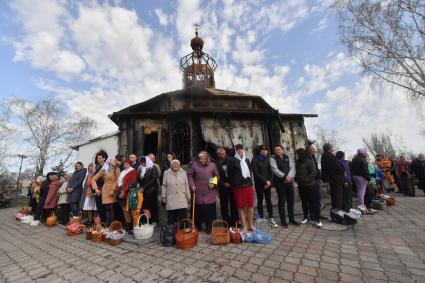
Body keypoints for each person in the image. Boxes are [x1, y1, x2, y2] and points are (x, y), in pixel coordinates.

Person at [187, 151, 219, 234]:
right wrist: (192, 185)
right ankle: (198, 227)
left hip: (210, 192)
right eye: (200, 158)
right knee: (198, 211)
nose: (202, 160)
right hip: (198, 192)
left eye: (203, 158)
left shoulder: (212, 165)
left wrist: (213, 183)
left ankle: (209, 227)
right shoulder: (194, 165)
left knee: (209, 211)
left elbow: (217, 176)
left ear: (207, 158)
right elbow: (189, 175)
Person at [270, 145, 299, 228]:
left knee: (291, 201)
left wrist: (289, 177)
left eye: (279, 149)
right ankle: (283, 221)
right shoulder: (272, 159)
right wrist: (284, 177)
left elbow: (292, 168)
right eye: (275, 150)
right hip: (280, 183)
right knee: (282, 201)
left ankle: (292, 219)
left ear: (282, 150)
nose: (277, 151)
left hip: (289, 182)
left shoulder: (287, 157)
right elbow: (275, 170)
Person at [228, 144, 255, 233]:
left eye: (241, 149)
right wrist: (234, 183)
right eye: (238, 149)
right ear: (235, 151)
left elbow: (250, 172)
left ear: (243, 150)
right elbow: (230, 174)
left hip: (248, 185)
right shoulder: (232, 160)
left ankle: (250, 224)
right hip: (238, 187)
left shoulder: (247, 160)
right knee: (241, 206)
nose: (240, 151)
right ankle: (244, 226)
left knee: (250, 206)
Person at [295, 148, 322, 227]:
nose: (296, 156)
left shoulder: (309, 161)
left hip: (310, 185)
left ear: (301, 154)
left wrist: (305, 180)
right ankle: (305, 217)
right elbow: (297, 172)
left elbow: (314, 173)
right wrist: (296, 178)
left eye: (297, 154)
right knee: (304, 202)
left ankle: (318, 219)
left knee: (314, 202)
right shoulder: (297, 162)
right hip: (301, 186)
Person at [251, 145, 277, 227]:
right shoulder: (254, 160)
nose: (265, 151)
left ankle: (271, 217)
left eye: (266, 150)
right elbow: (256, 173)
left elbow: (270, 172)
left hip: (268, 184)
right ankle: (261, 217)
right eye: (263, 150)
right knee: (260, 200)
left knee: (268, 200)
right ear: (259, 151)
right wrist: (265, 181)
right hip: (259, 184)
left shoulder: (267, 159)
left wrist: (269, 182)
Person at [161, 159, 191, 225]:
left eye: (177, 164)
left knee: (183, 219)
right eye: (174, 164)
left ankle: (182, 233)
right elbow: (164, 185)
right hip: (171, 199)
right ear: (171, 165)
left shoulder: (183, 172)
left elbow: (186, 185)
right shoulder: (166, 173)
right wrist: (163, 196)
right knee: (171, 219)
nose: (176, 165)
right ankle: (172, 233)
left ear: (179, 165)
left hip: (182, 198)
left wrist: (188, 196)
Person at [91, 158, 120, 225]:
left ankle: (112, 223)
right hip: (105, 189)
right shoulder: (103, 170)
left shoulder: (116, 169)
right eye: (113, 160)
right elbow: (93, 179)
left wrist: (113, 189)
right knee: (107, 207)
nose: (114, 161)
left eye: (115, 161)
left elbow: (118, 180)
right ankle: (108, 223)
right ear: (109, 162)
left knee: (112, 206)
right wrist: (96, 189)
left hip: (113, 188)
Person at [215, 148, 238, 225]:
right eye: (222, 154)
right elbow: (215, 176)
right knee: (224, 205)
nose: (224, 155)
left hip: (233, 184)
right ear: (218, 155)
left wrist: (233, 182)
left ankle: (235, 221)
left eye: (224, 153)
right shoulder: (215, 163)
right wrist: (223, 183)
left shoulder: (231, 160)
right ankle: (226, 223)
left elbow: (236, 171)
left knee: (234, 203)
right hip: (222, 186)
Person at [320, 143, 345, 212]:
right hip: (335, 178)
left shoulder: (325, 155)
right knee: (337, 195)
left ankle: (335, 209)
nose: (332, 148)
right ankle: (337, 210)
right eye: (331, 147)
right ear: (329, 148)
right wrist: (343, 171)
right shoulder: (329, 156)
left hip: (332, 178)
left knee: (335, 195)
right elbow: (335, 167)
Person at [118, 159, 138, 231]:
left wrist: (124, 191)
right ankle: (128, 224)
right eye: (124, 164)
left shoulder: (133, 171)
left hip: (129, 193)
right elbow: (120, 183)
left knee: (131, 210)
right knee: (124, 209)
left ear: (130, 165)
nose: (125, 165)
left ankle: (134, 226)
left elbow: (132, 182)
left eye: (127, 164)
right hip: (122, 191)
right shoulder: (123, 172)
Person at [138, 156, 159, 225]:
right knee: (144, 206)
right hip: (144, 191)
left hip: (151, 190)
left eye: (144, 163)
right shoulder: (141, 169)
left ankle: (153, 221)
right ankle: (146, 221)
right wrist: (138, 183)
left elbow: (153, 179)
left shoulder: (153, 167)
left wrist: (144, 187)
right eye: (142, 163)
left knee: (152, 206)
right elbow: (140, 179)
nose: (143, 164)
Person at [94, 150, 108, 222]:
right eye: (97, 158)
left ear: (104, 158)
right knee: (99, 207)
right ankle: (101, 222)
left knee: (104, 208)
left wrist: (101, 189)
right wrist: (95, 189)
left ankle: (105, 222)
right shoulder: (97, 168)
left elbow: (106, 180)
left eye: (99, 158)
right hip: (97, 190)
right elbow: (94, 180)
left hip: (104, 190)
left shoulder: (106, 167)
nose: (98, 159)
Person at [148, 153, 161, 225]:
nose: (154, 159)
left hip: (154, 187)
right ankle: (148, 220)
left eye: (154, 158)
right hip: (146, 188)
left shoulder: (156, 166)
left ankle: (155, 220)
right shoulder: (144, 166)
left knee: (155, 204)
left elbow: (159, 174)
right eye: (152, 158)